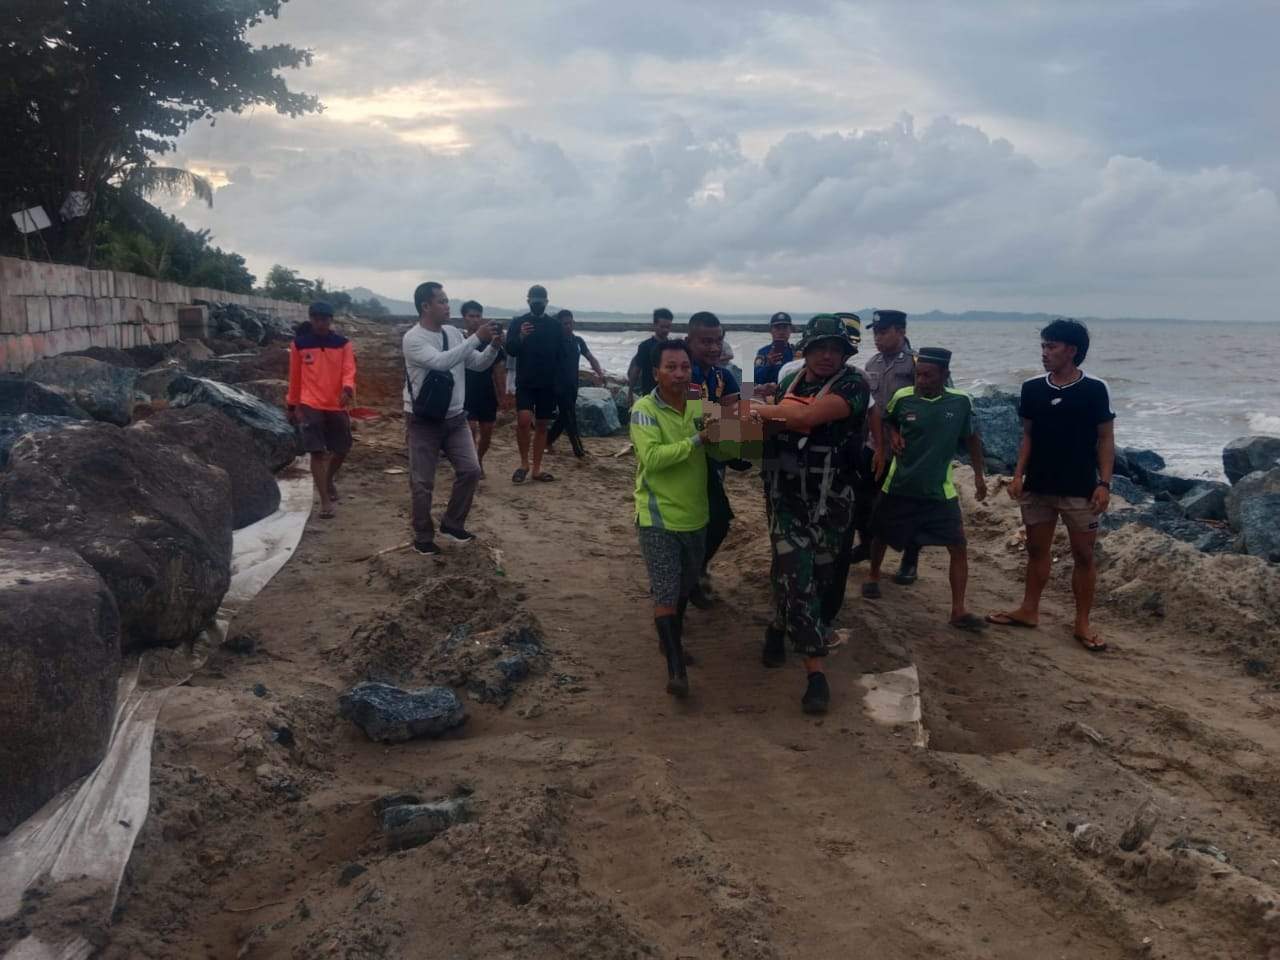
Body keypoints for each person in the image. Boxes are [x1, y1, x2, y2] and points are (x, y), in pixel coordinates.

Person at [751, 315, 871, 714]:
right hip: (786, 496)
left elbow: (803, 419)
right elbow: (770, 428)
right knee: (794, 573)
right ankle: (816, 675)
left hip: (832, 500)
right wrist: (740, 419)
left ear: (844, 353)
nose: (826, 355)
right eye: (819, 347)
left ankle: (777, 626)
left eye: (834, 348)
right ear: (807, 349)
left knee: (818, 579)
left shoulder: (854, 384)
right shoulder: (791, 381)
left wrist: (758, 408)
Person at [987, 319, 1115, 652]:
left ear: (1071, 351)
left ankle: (1082, 623)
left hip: (1080, 487)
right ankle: (1029, 610)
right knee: (1036, 550)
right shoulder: (1032, 388)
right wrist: (1018, 475)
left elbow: (1105, 438)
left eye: (1051, 346)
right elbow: (1028, 435)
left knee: (1084, 555)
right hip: (1039, 484)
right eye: (1043, 346)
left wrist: (1104, 483)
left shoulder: (1094, 389)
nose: (1044, 353)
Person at [862, 348, 988, 633]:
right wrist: (892, 438)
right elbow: (886, 418)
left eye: (928, 375)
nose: (921, 380)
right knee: (880, 532)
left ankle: (958, 610)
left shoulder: (961, 403)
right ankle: (873, 575)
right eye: (918, 374)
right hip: (900, 482)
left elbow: (972, 439)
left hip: (938, 490)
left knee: (958, 546)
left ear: (945, 375)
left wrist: (980, 477)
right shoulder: (903, 397)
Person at [630, 339, 719, 698]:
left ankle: (672, 643)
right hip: (657, 516)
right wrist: (698, 439)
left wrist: (747, 422)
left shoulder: (699, 401)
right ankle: (676, 670)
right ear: (656, 372)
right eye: (671, 367)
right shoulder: (643, 409)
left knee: (683, 588)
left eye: (685, 367)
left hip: (696, 515)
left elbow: (726, 442)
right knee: (666, 591)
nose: (680, 374)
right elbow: (652, 458)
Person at [403, 282, 502, 555]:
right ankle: (423, 536)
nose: (448, 306)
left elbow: (477, 364)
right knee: (422, 483)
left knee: (471, 470)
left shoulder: (453, 333)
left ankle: (452, 523)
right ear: (426, 306)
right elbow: (441, 362)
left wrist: (492, 346)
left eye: (447, 301)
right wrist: (476, 337)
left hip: (456, 418)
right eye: (442, 301)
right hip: (423, 419)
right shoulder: (414, 339)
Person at [852, 309, 922, 584]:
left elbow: (935, 404)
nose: (877, 338)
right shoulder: (873, 362)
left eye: (883, 332)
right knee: (862, 501)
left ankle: (909, 561)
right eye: (875, 333)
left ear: (901, 331)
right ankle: (866, 546)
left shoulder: (917, 364)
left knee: (907, 507)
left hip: (907, 449)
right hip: (873, 444)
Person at [685, 311, 742, 607]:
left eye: (717, 341)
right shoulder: (682, 373)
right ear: (689, 341)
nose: (712, 347)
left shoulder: (724, 375)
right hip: (682, 460)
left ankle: (695, 571)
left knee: (717, 521)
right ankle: (686, 578)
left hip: (713, 462)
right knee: (692, 524)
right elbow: (696, 418)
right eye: (705, 341)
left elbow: (733, 413)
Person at [287, 301, 356, 520]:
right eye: (316, 319)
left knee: (342, 448)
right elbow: (295, 378)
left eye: (324, 319)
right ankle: (325, 501)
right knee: (316, 452)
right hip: (310, 403)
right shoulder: (299, 345)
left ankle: (327, 480)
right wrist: (292, 404)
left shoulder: (342, 344)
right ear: (310, 319)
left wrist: (347, 388)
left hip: (336, 403)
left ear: (330, 320)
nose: (320, 323)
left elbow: (349, 370)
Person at [505, 284, 563, 483]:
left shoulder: (555, 326)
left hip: (548, 383)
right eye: (534, 301)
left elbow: (561, 355)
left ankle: (537, 469)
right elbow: (510, 350)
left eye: (541, 302)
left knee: (542, 425)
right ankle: (523, 463)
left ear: (546, 302)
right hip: (526, 381)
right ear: (528, 301)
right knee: (523, 421)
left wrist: (560, 382)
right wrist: (521, 335)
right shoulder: (518, 322)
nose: (538, 305)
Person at [546, 309, 605, 459]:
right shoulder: (554, 342)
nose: (568, 326)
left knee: (564, 417)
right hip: (557, 385)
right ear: (559, 325)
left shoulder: (578, 341)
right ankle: (578, 450)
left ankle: (547, 440)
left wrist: (600, 373)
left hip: (573, 384)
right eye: (564, 323)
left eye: (570, 323)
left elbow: (590, 357)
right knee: (570, 416)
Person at [461, 300, 506, 475]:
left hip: (486, 393)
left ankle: (478, 459)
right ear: (464, 318)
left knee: (487, 433)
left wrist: (503, 395)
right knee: (470, 430)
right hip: (465, 394)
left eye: (478, 316)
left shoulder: (491, 342)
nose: (474, 319)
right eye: (471, 316)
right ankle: (471, 466)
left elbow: (498, 371)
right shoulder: (460, 341)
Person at [627, 308, 674, 405]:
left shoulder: (672, 346)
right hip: (649, 393)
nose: (665, 330)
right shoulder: (645, 346)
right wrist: (630, 392)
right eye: (662, 327)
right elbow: (636, 369)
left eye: (668, 327)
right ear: (655, 325)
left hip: (669, 393)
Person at [753, 312, 795, 387]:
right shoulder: (762, 352)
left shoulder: (796, 352)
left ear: (790, 330)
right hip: (768, 394)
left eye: (785, 328)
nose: (781, 332)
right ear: (771, 330)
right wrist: (768, 365)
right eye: (777, 328)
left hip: (790, 394)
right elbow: (755, 379)